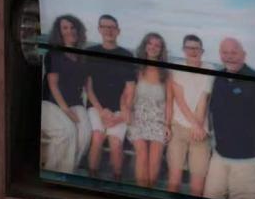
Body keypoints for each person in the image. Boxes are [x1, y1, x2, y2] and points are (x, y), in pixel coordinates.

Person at [204, 37, 255, 199]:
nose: (229, 56)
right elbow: (212, 112)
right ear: (220, 55)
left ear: (243, 55)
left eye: (234, 52)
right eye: (225, 52)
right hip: (219, 156)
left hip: (248, 160)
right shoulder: (218, 79)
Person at [84, 15, 136, 181]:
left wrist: (122, 113)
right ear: (99, 29)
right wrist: (102, 112)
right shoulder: (91, 53)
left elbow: (130, 89)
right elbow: (88, 89)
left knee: (116, 143)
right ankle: (92, 178)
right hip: (96, 107)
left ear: (118, 31)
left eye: (112, 27)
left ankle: (117, 179)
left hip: (120, 108)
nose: (109, 30)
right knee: (97, 137)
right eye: (105, 27)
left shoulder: (127, 55)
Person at [40, 15, 91, 174]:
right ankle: (53, 173)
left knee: (84, 135)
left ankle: (68, 171)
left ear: (78, 30)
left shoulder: (83, 57)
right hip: (50, 102)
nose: (70, 31)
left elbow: (88, 87)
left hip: (75, 102)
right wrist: (66, 110)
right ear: (59, 32)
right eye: (65, 28)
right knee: (67, 132)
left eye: (73, 27)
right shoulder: (54, 54)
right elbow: (53, 85)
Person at [166, 35, 214, 195]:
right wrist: (195, 125)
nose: (193, 51)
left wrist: (198, 127)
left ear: (202, 51)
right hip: (178, 129)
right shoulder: (176, 69)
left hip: (201, 132)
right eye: (189, 48)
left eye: (196, 48)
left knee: (198, 185)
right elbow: (180, 100)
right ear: (183, 50)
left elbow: (203, 100)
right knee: (174, 179)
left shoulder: (209, 69)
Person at [128, 32, 172, 188]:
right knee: (142, 154)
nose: (153, 47)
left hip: (158, 119)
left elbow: (169, 101)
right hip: (138, 117)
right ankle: (141, 191)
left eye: (157, 45)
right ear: (145, 46)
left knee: (155, 158)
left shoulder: (166, 73)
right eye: (150, 44)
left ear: (161, 50)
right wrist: (128, 114)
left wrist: (167, 125)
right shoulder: (136, 69)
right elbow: (128, 96)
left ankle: (149, 191)